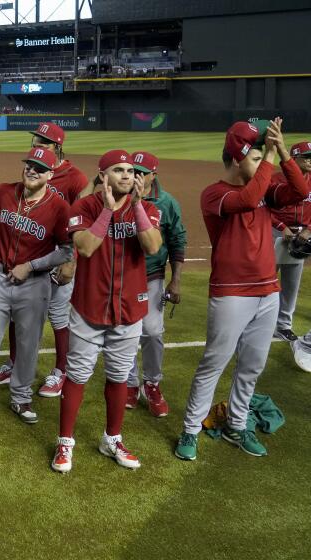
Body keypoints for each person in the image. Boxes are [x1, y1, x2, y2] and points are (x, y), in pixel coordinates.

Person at [175, 119, 309, 461]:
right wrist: (268, 157)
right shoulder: (215, 194)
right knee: (214, 363)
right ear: (238, 158)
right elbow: (248, 200)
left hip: (268, 290)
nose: (262, 166)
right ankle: (190, 430)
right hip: (231, 292)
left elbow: (300, 191)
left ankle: (237, 425)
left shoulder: (263, 186)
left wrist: (280, 152)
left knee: (252, 366)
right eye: (254, 158)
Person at [51, 150, 162, 473]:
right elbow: (85, 247)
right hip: (90, 307)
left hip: (129, 309)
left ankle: (112, 438)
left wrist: (137, 206)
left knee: (118, 377)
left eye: (131, 170)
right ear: (103, 176)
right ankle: (65, 442)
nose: (128, 175)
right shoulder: (85, 206)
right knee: (77, 376)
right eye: (119, 170)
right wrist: (108, 212)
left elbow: (152, 246)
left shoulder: (148, 208)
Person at [0, 147, 72, 424]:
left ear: (49, 174)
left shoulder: (59, 207)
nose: (32, 171)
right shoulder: (4, 192)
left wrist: (31, 266)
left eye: (39, 168)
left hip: (35, 284)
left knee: (29, 342)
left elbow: (66, 251)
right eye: (29, 165)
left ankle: (20, 397)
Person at [0, 122, 90, 394]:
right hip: (29, 258)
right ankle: (14, 363)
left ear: (57, 147)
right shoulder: (33, 168)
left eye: (44, 142)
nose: (37, 146)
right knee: (18, 314)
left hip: (58, 257)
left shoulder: (76, 179)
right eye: (36, 141)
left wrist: (70, 260)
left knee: (59, 315)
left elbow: (81, 221)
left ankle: (61, 371)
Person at [125, 151, 187, 417]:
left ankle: (152, 383)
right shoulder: (119, 195)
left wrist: (176, 280)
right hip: (123, 275)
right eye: (132, 171)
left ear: (153, 174)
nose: (135, 177)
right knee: (125, 332)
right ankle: (129, 384)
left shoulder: (166, 202)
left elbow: (177, 240)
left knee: (151, 331)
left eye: (141, 172)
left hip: (152, 275)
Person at [269, 141, 311, 341]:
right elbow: (263, 210)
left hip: (301, 238)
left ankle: (283, 325)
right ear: (294, 159)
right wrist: (280, 227)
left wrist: (309, 230)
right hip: (275, 233)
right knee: (266, 280)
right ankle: (255, 322)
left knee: (291, 284)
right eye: (307, 157)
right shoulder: (275, 180)